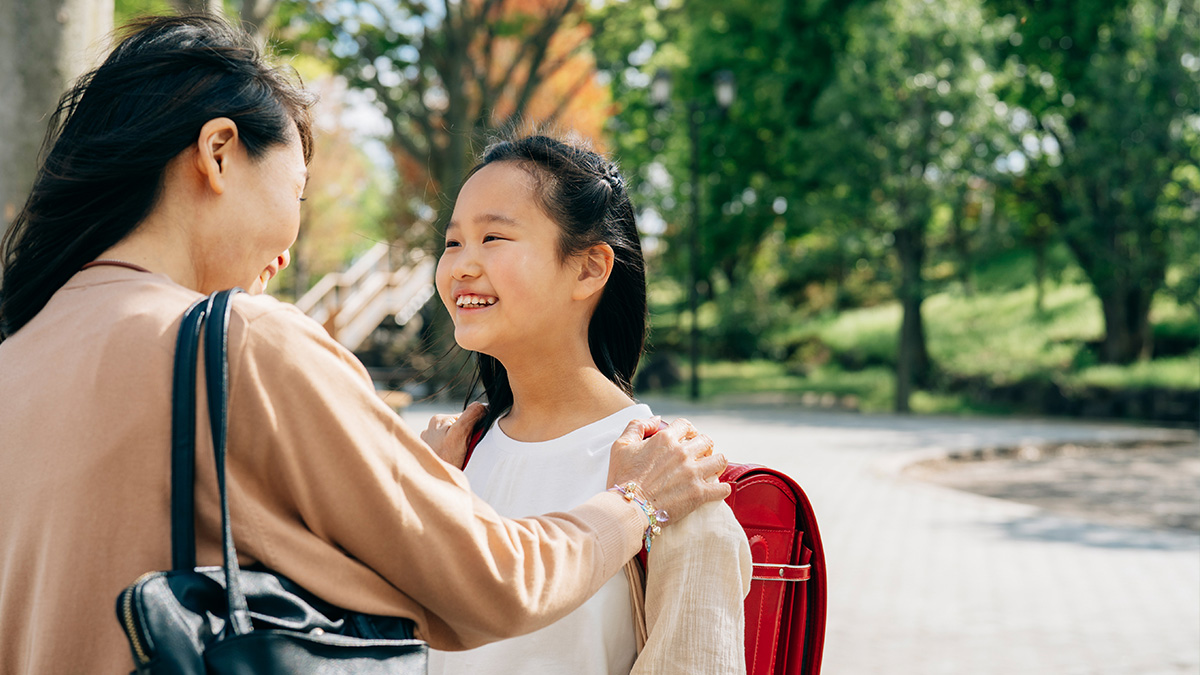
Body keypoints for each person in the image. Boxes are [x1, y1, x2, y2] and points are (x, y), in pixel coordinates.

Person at [0, 16, 731, 674]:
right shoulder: (239, 342)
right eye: (297, 193)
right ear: (219, 154)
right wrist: (636, 499)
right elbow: (490, 582)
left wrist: (419, 484)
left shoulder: (18, 357)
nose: (287, 253)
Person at [424, 135, 751, 675]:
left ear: (588, 269)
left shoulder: (672, 482)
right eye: (453, 242)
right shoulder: (454, 459)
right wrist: (424, 490)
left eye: (494, 237)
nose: (461, 265)